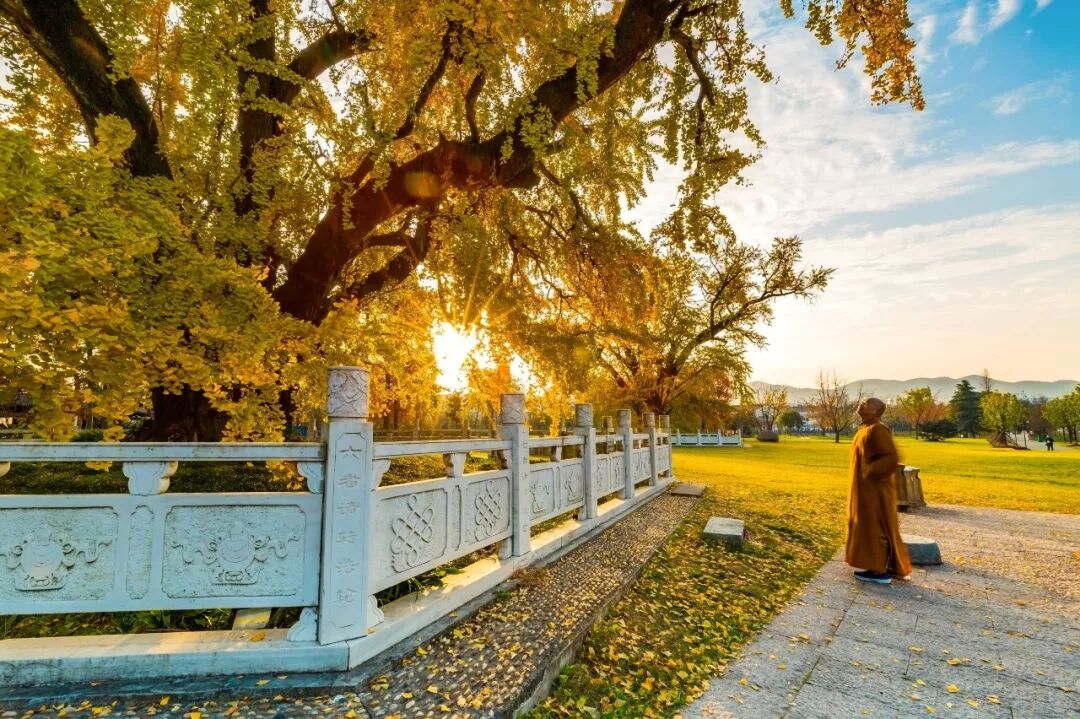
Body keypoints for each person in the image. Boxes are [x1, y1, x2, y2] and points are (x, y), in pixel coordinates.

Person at [845, 397, 912, 585]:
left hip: (875, 490)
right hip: (864, 489)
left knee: (876, 524)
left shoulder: (878, 430)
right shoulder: (865, 429)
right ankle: (871, 564)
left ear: (875, 411)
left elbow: (891, 457)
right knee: (865, 525)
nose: (861, 404)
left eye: (866, 403)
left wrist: (870, 471)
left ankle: (879, 569)